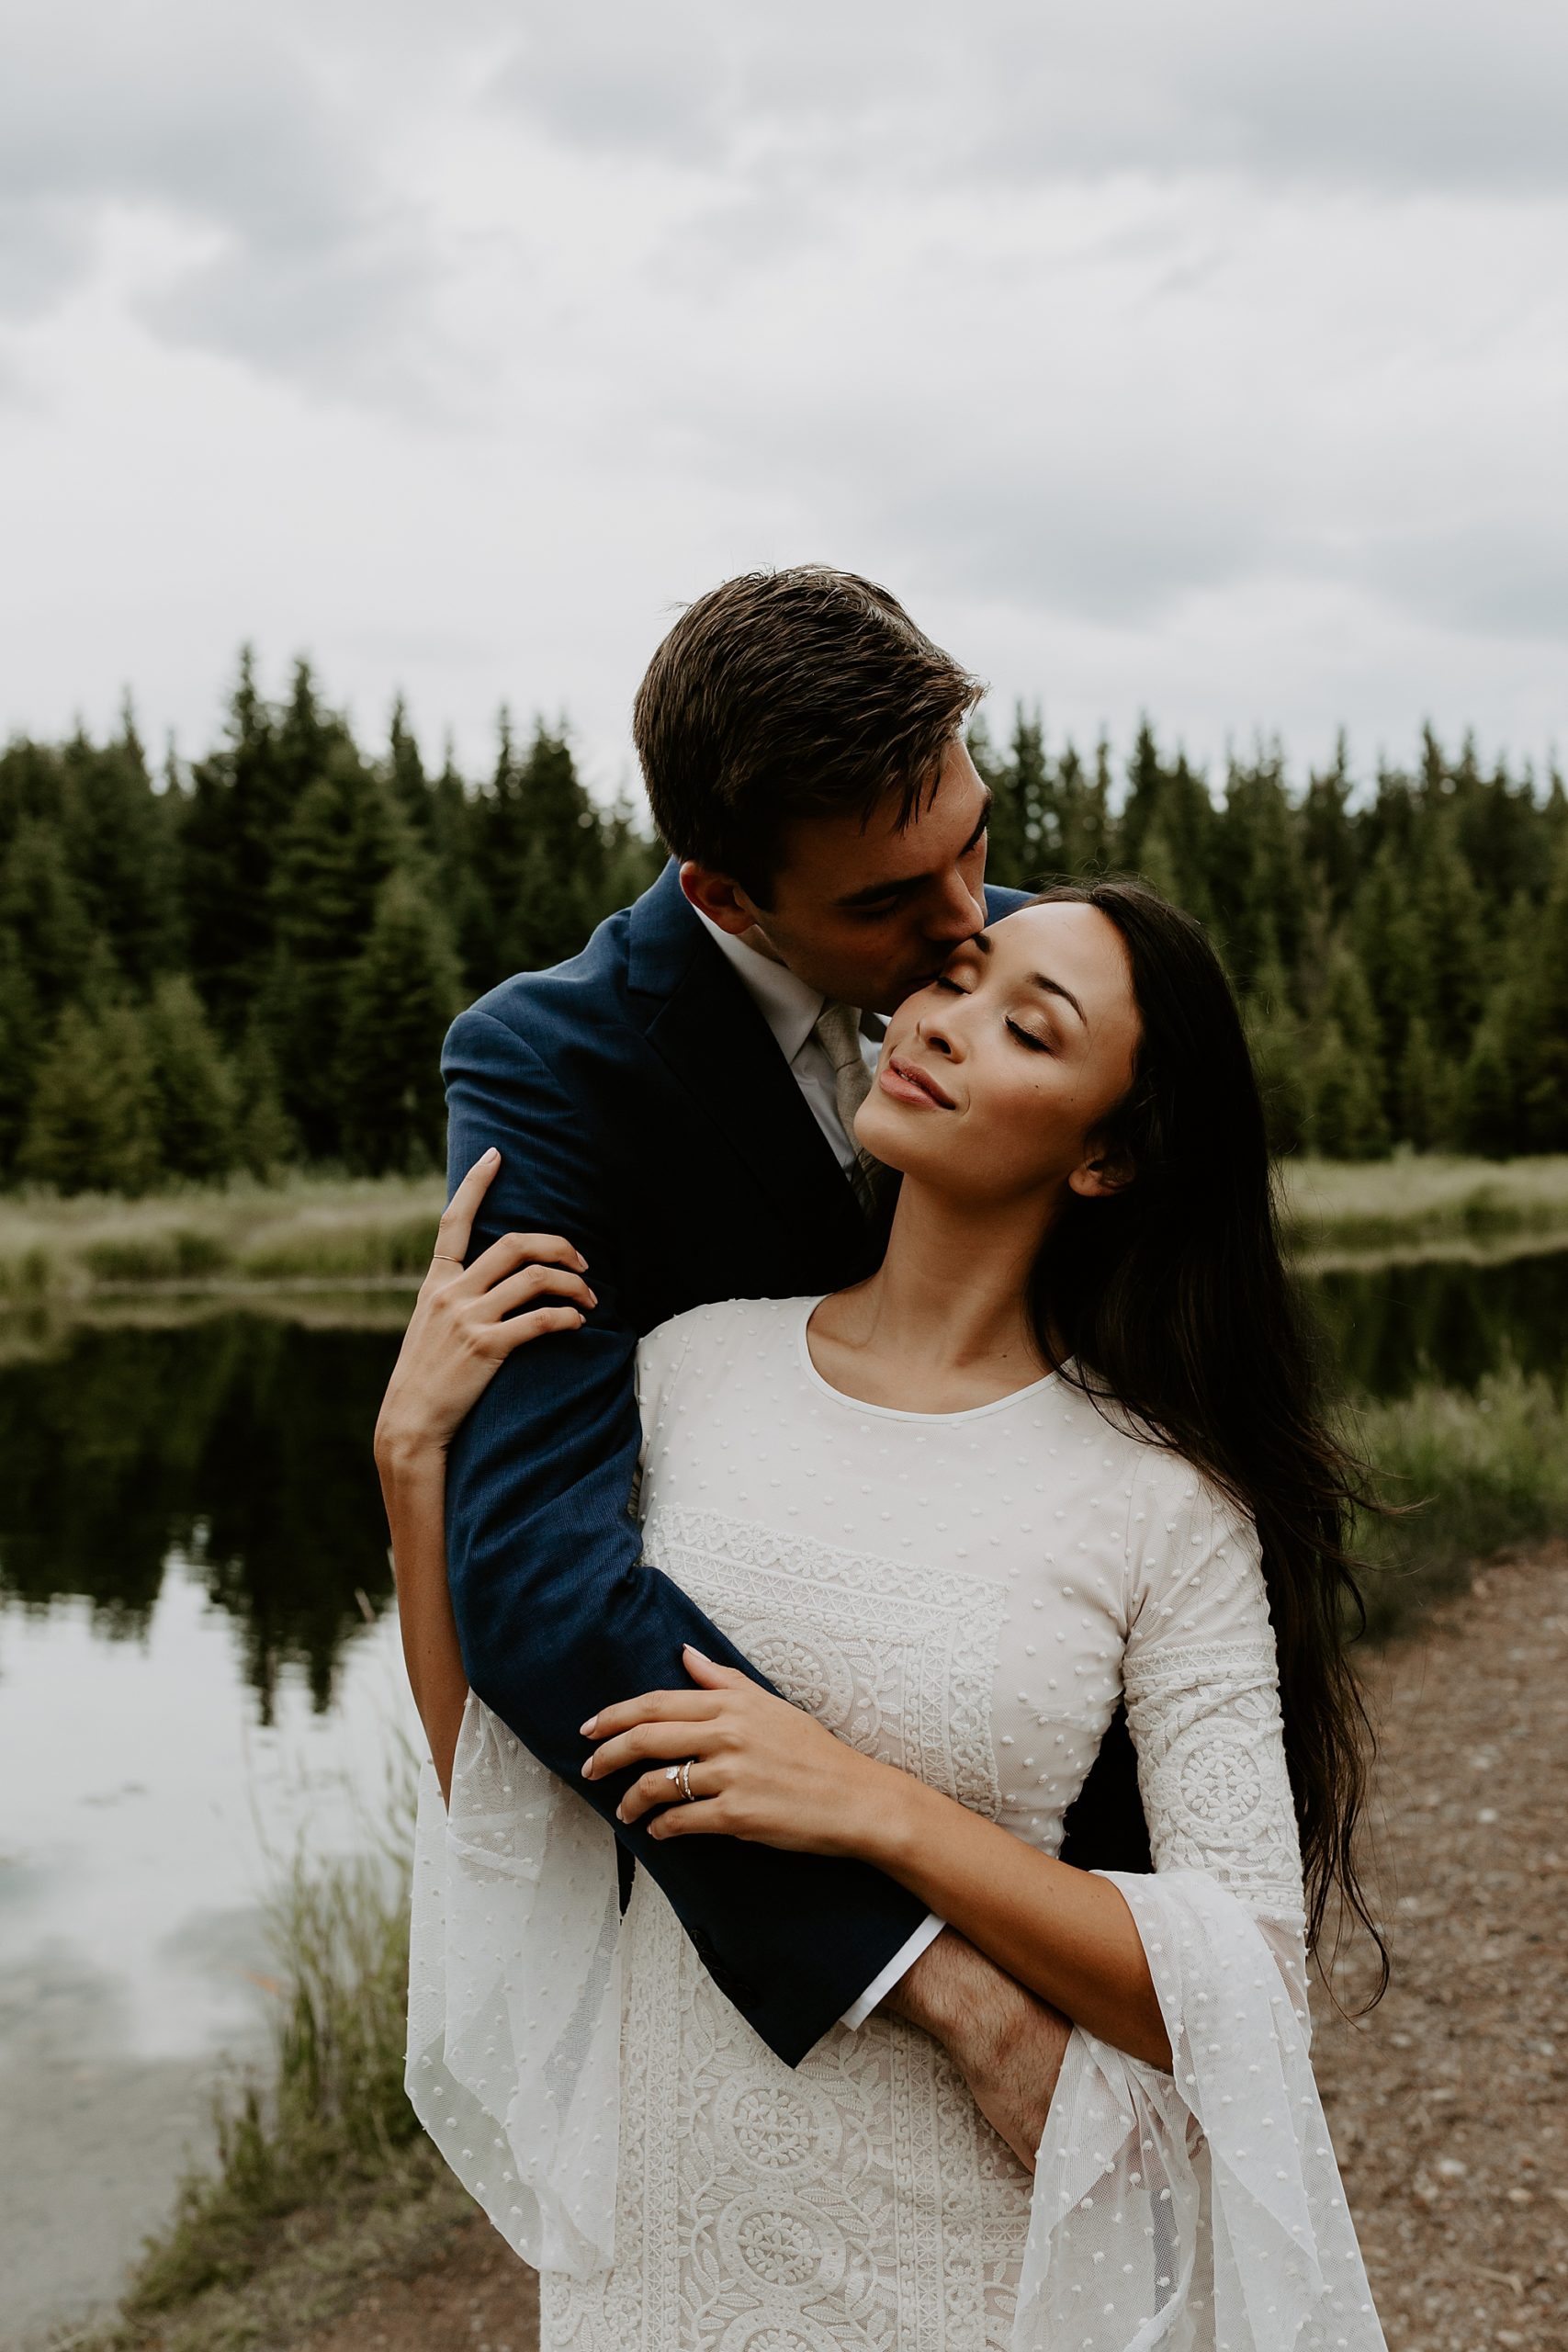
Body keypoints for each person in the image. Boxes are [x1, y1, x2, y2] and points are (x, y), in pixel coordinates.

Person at [379, 880, 1387, 2351]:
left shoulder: (1165, 1504)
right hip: (663, 2252)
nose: (943, 1028)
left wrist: (874, 1807)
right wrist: (416, 1475)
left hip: (969, 2257)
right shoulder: (686, 1375)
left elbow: (1242, 1999)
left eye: (1027, 1030)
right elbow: (501, 1781)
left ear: (1107, 1154)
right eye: (954, 982)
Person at [389, 567, 1146, 2168]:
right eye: (888, 904)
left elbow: (1178, 1379)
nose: (966, 933)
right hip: (766, 1961)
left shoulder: (1032, 984)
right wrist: (921, 1966)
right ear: (724, 896)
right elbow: (540, 1584)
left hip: (1094, 1849)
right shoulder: (556, 1068)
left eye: (977, 845)